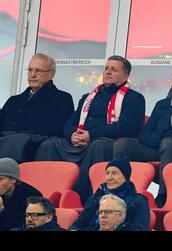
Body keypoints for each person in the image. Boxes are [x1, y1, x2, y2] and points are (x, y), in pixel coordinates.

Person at [34, 55, 145, 203]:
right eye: (106, 68)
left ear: (125, 76)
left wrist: (91, 135)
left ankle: (82, 196)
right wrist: (72, 134)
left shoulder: (134, 98)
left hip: (103, 140)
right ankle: (42, 195)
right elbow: (70, 122)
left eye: (113, 69)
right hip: (79, 140)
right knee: (50, 144)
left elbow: (127, 127)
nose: (108, 72)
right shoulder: (88, 97)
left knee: (98, 146)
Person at [113, 65, 172, 207]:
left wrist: (163, 140)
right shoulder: (162, 104)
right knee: (122, 144)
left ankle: (163, 194)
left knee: (169, 143)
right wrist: (155, 141)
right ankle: (116, 192)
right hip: (154, 147)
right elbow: (145, 132)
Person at [0, 53, 74, 163]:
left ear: (51, 74)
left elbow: (58, 129)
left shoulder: (62, 99)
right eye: (30, 70)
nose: (32, 75)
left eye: (38, 71)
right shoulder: (13, 100)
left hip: (33, 149)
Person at [69, 155, 149, 231]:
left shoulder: (139, 201)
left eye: (114, 173)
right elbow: (77, 225)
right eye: (107, 173)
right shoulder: (95, 198)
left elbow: (139, 228)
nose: (109, 178)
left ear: (126, 177)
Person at [0, 158, 42, 231]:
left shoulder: (32, 196)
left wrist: (2, 210)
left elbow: (21, 226)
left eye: (0, 179)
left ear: (13, 179)